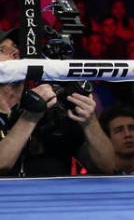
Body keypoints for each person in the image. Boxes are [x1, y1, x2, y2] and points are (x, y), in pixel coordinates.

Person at [0, 26, 115, 176]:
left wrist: (90, 122)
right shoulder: (39, 108)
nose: (15, 52)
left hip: (54, 198)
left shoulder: (54, 109)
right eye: (2, 50)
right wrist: (30, 116)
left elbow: (107, 167)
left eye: (18, 48)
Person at [98, 106, 134, 175]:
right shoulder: (97, 181)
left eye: (132, 128)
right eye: (119, 130)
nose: (128, 134)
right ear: (107, 138)